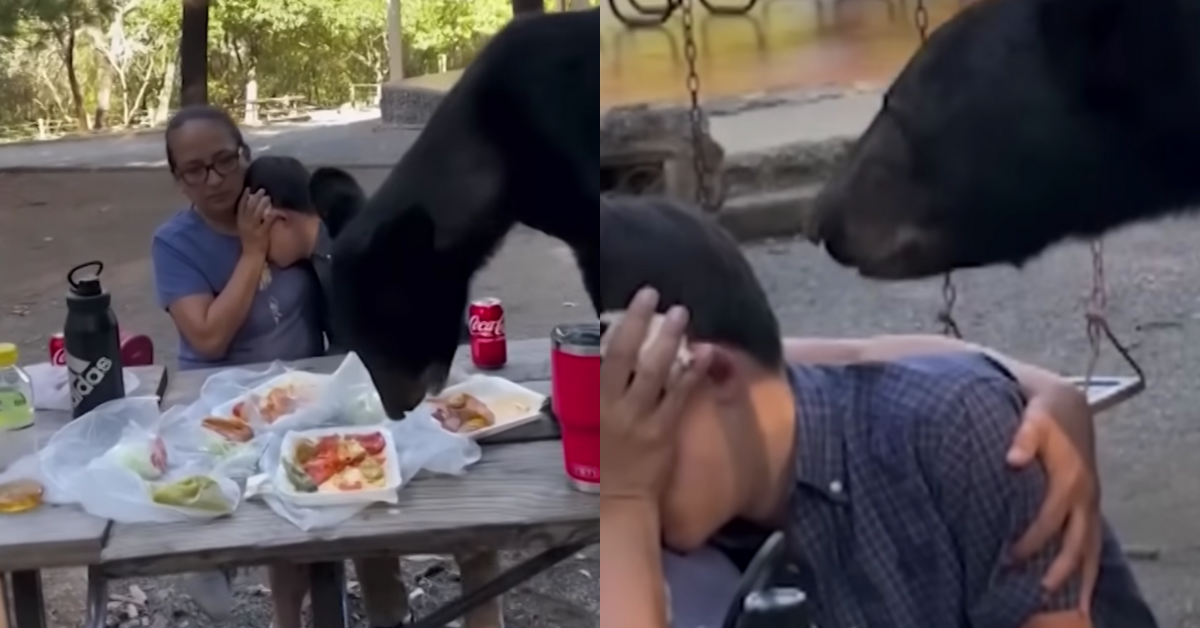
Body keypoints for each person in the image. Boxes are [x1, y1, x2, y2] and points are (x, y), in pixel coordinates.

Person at [597, 197, 1158, 628]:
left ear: (712, 371)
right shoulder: (650, 503)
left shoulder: (958, 433)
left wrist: (1045, 388)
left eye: (640, 411)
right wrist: (623, 502)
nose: (625, 458)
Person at [149, 107, 410, 628]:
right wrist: (251, 252)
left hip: (306, 389)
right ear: (179, 181)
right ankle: (273, 606)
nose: (215, 178)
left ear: (245, 154)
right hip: (221, 398)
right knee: (258, 497)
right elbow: (207, 335)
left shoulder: (286, 202)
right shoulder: (175, 243)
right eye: (195, 170)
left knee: (354, 481)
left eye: (225, 160)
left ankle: (387, 606)